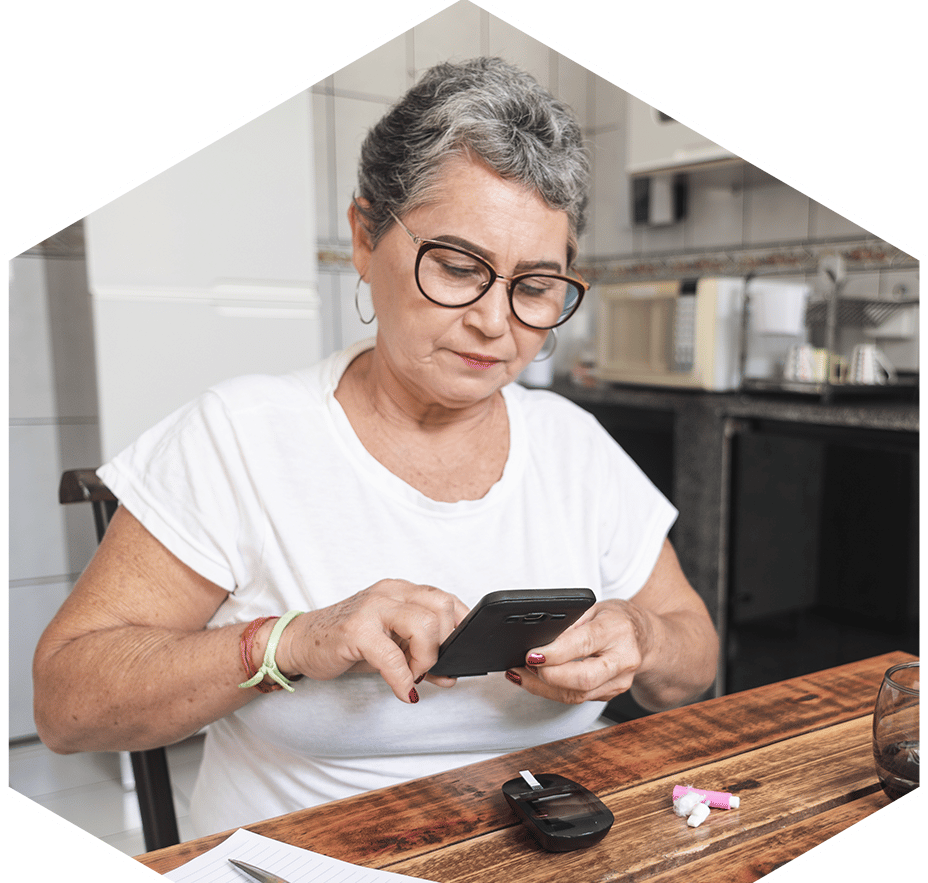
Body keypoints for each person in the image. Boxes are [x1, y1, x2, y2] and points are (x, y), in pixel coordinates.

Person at [33, 58, 718, 835]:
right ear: (366, 238)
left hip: (553, 864)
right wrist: (289, 641)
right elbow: (66, 705)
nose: (496, 322)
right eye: (458, 268)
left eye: (534, 288)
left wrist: (643, 637)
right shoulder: (240, 436)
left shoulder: (571, 443)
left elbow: (692, 658)